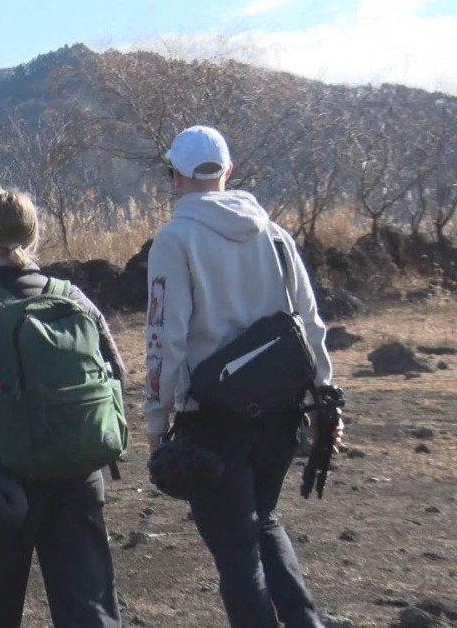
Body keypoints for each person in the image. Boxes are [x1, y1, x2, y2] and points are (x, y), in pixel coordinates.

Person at [144, 125, 340, 628]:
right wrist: (324, 399)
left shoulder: (175, 239)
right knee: (263, 521)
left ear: (175, 177)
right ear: (228, 172)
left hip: (211, 419)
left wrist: (156, 419)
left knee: (235, 549)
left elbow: (166, 338)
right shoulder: (275, 236)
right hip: (281, 415)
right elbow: (310, 324)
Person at [0, 188, 124, 628]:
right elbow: (115, 372)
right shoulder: (74, 298)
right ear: (35, 234)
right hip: (79, 470)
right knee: (89, 605)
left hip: (3, 478)